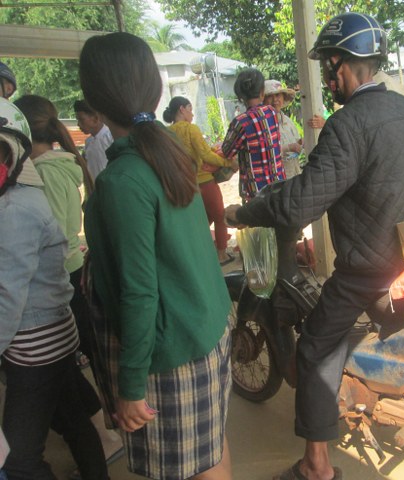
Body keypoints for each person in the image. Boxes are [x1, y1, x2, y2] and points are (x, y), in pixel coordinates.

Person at [225, 13, 404, 480]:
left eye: (327, 64)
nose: (325, 75)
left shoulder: (348, 124)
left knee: (315, 349)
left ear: (341, 64)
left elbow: (300, 204)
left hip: (370, 268)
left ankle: (315, 465)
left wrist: (244, 212)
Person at [79, 32, 232, 480]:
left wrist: (130, 386)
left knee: (192, 466)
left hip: (169, 353)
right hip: (204, 327)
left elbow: (139, 292)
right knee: (211, 449)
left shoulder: (123, 179)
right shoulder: (169, 150)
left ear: (95, 102)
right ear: (154, 88)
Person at [0, 98, 108, 480]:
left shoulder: (14, 210)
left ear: (15, 154)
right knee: (73, 420)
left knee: (18, 460)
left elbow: (8, 295)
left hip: (35, 344)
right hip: (52, 331)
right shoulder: (19, 197)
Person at [164, 96, 237, 265]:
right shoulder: (191, 129)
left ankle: (199, 252)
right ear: (182, 109)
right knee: (219, 217)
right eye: (190, 109)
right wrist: (227, 162)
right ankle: (221, 255)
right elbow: (205, 155)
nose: (192, 113)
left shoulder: (167, 133)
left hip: (184, 183)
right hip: (204, 181)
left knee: (201, 220)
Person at [221, 68, 284, 202]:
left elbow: (227, 151)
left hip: (255, 195)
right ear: (262, 92)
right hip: (279, 188)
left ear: (241, 97)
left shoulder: (241, 122)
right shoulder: (271, 112)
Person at [264, 79, 303, 178]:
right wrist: (288, 147)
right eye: (270, 96)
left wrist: (300, 142)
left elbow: (297, 142)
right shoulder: (262, 124)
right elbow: (264, 152)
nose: (275, 100)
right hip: (276, 178)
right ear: (263, 100)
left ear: (283, 97)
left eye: (278, 95)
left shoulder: (288, 121)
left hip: (294, 174)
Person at [74, 99, 114, 181]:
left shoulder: (111, 138)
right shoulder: (88, 142)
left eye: (81, 120)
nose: (78, 124)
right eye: (77, 120)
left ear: (95, 119)